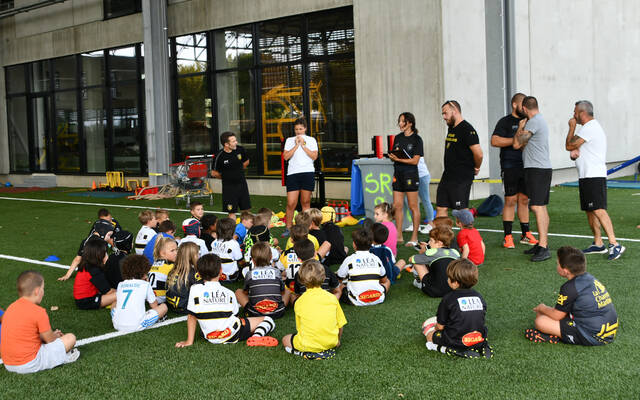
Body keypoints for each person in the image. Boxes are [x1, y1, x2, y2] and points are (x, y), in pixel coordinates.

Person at [565, 100, 625, 260]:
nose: (573, 115)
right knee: (590, 210)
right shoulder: (587, 129)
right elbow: (574, 148)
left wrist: (571, 127)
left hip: (594, 175)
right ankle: (598, 243)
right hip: (586, 175)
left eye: (575, 112)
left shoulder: (590, 127)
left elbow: (569, 145)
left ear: (582, 113)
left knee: (598, 209)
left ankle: (615, 243)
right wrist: (576, 152)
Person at [175, 254, 277, 347]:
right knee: (267, 320)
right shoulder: (229, 293)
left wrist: (189, 341)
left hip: (211, 336)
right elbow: (235, 316)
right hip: (232, 333)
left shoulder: (194, 289)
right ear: (220, 271)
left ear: (199, 273)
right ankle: (256, 337)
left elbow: (191, 316)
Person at [525, 246, 618, 345]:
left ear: (565, 271)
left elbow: (556, 315)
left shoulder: (569, 287)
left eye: (557, 264)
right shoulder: (590, 278)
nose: (556, 266)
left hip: (594, 335)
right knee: (548, 314)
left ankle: (558, 336)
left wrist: (542, 308)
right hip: (609, 330)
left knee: (541, 321)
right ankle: (562, 333)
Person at [1, 271, 79, 374]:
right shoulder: (39, 312)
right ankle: (63, 358)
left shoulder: (11, 308)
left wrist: (50, 335)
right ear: (37, 291)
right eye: (43, 289)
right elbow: (50, 340)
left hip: (8, 364)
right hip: (29, 363)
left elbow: (25, 334)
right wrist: (55, 336)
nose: (43, 292)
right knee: (70, 338)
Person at [491, 92, 538, 248]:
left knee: (524, 200)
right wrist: (516, 140)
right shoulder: (505, 122)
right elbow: (494, 141)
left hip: (527, 165)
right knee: (510, 200)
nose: (525, 109)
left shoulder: (530, 121)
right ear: (515, 105)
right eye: (522, 105)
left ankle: (526, 234)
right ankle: (508, 236)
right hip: (509, 165)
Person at [422, 259, 491, 358]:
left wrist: (434, 330)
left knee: (429, 334)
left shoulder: (448, 299)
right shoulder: (479, 296)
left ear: (455, 283)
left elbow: (440, 327)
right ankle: (482, 346)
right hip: (478, 338)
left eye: (449, 277)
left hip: (456, 341)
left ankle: (450, 350)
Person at [282, 260, 347, 360]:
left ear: (301, 280)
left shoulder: (299, 302)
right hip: (331, 343)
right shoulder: (332, 298)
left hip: (307, 344)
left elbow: (300, 328)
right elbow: (340, 324)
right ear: (324, 277)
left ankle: (301, 353)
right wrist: (337, 341)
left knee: (285, 339)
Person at [513, 96, 552, 262]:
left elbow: (516, 144)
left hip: (538, 169)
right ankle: (542, 244)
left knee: (537, 207)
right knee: (539, 206)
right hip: (537, 169)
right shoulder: (538, 120)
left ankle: (543, 246)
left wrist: (519, 128)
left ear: (524, 108)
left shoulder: (533, 121)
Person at [436, 101, 483, 219]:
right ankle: (443, 237)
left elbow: (479, 154)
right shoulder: (451, 129)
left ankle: (468, 237)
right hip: (447, 175)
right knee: (441, 207)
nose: (444, 117)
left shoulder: (467, 129)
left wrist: (477, 167)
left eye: (445, 113)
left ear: (454, 111)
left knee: (461, 211)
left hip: (461, 177)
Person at [388, 112, 423, 246]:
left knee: (413, 206)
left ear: (410, 123)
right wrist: (393, 158)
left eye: (402, 121)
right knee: (397, 206)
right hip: (398, 174)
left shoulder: (417, 139)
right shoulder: (397, 138)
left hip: (410, 175)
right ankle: (399, 235)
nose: (400, 124)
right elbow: (394, 155)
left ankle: (414, 237)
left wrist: (399, 159)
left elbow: (415, 161)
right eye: (399, 121)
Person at [58, 208, 120, 281]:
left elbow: (106, 260)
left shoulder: (103, 239)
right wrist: (67, 275)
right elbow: (78, 259)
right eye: (109, 235)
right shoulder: (87, 242)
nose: (110, 238)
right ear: (103, 233)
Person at [111, 255, 168, 332]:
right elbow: (154, 305)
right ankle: (157, 319)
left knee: (114, 303)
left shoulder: (120, 284)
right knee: (163, 307)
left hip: (116, 324)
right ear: (144, 273)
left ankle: (122, 317)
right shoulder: (145, 285)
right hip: (136, 325)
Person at [282, 117, 318, 237]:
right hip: (293, 174)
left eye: (301, 129)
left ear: (305, 129)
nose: (298, 131)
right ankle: (288, 228)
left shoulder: (312, 140)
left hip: (307, 173)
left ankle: (305, 227)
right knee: (291, 203)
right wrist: (296, 146)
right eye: (296, 129)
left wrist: (303, 146)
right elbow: (286, 157)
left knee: (305, 202)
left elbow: (314, 156)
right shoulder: (289, 140)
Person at [236, 242, 290, 319]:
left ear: (253, 260)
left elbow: (245, 292)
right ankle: (280, 307)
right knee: (287, 291)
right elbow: (282, 291)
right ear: (271, 257)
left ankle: (250, 308)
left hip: (255, 313)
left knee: (238, 292)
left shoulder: (250, 274)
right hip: (277, 312)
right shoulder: (277, 272)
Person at [337, 229, 390, 306]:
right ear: (371, 243)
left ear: (354, 244)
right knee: (387, 281)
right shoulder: (376, 258)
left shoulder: (350, 259)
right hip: (378, 298)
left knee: (339, 285)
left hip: (356, 301)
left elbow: (339, 279)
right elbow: (384, 280)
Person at [409, 226, 460, 297]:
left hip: (434, 291)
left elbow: (411, 259)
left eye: (431, 240)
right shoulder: (455, 252)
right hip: (453, 289)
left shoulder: (432, 252)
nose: (429, 243)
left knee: (418, 262)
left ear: (439, 243)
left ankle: (419, 282)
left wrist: (423, 251)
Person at [211, 131, 251, 220]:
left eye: (235, 140)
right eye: (233, 141)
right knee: (232, 212)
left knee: (246, 209)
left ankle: (246, 230)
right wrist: (226, 178)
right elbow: (214, 173)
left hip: (242, 184)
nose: (236, 142)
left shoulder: (240, 149)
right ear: (226, 144)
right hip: (229, 188)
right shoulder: (219, 156)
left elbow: (246, 161)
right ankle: (232, 232)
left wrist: (239, 170)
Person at [73, 237, 117, 310]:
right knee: (121, 295)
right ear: (99, 255)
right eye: (105, 253)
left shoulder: (88, 265)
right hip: (86, 301)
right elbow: (108, 291)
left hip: (85, 298)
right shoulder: (93, 271)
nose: (107, 255)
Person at [166, 241, 201, 314]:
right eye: (197, 254)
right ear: (191, 256)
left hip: (172, 305)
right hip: (185, 307)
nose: (198, 255)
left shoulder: (173, 270)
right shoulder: (193, 273)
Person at [210, 217, 244, 282]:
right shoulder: (234, 243)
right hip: (231, 276)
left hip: (216, 275)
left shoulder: (214, 242)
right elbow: (240, 261)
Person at [149, 236, 178, 303]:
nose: (176, 253)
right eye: (172, 250)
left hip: (151, 298)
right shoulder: (170, 266)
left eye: (177, 249)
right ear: (162, 253)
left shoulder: (154, 263)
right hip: (162, 299)